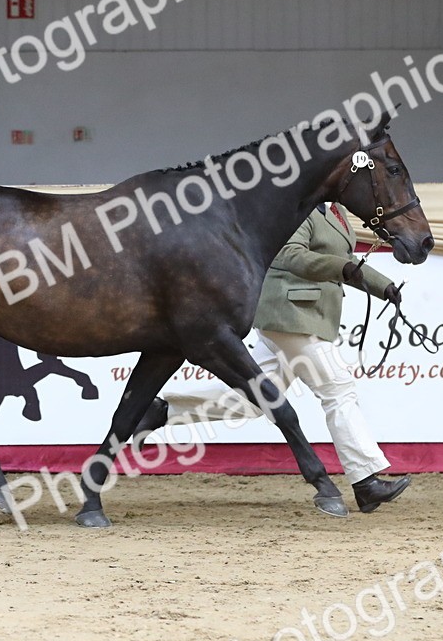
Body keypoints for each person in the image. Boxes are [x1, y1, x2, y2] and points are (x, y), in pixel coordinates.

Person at [135, 203, 411, 516]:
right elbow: (289, 255)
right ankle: (365, 480)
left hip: (301, 318)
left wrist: (382, 286)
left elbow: (345, 260)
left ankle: (163, 410)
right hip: (292, 315)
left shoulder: (335, 211)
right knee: (338, 388)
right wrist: (340, 269)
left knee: (253, 402)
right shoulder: (301, 210)